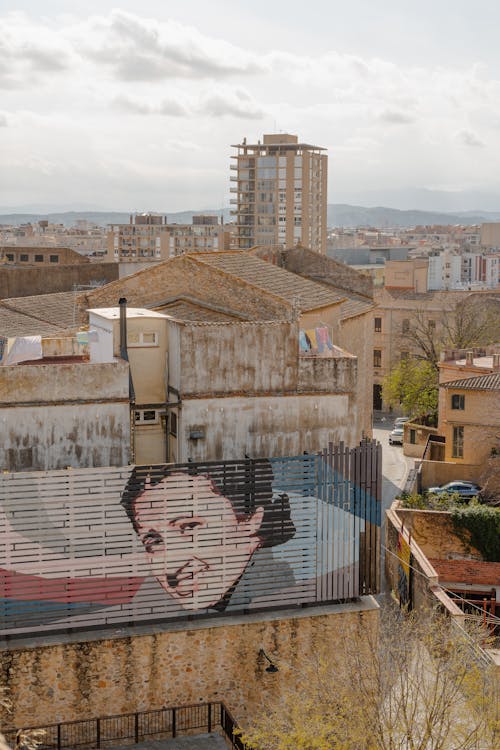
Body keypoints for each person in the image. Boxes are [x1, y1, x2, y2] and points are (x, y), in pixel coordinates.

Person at [121, 460, 296, 611]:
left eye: (189, 526)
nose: (172, 566)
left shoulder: (288, 587)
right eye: (154, 542)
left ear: (251, 520)